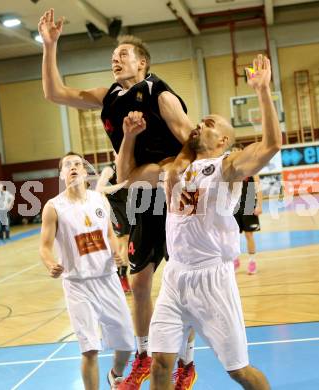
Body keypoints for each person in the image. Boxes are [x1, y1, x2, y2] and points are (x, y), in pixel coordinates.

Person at [39, 9, 196, 388]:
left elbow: (194, 142)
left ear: (142, 63)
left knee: (185, 284)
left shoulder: (161, 95)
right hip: (142, 198)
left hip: (174, 200)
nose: (115, 58)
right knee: (140, 283)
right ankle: (142, 355)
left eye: (124, 54)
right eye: (113, 55)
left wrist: (172, 170)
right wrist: (50, 46)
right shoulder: (109, 95)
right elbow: (55, 93)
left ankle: (186, 363)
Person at [116, 54, 281, 389]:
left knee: (238, 371)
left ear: (222, 141)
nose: (200, 123)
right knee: (161, 364)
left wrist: (262, 91)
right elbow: (125, 177)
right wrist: (129, 136)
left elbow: (272, 144)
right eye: (201, 120)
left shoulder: (227, 167)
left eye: (210, 123)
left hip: (212, 280)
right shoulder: (170, 168)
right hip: (176, 277)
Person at [39, 152, 135, 390]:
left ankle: (116, 374)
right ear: (62, 174)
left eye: (78, 164)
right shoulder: (54, 207)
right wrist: (51, 263)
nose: (73, 167)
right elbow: (44, 246)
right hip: (78, 285)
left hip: (108, 280)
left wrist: (116, 252)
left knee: (126, 345)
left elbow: (110, 234)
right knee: (90, 349)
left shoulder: (99, 199)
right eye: (67, 165)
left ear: (85, 171)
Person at [233, 158, 263, 274]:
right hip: (235, 206)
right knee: (233, 235)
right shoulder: (232, 171)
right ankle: (235, 259)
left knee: (249, 235)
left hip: (249, 204)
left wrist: (259, 205)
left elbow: (258, 190)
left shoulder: (253, 170)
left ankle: (252, 262)